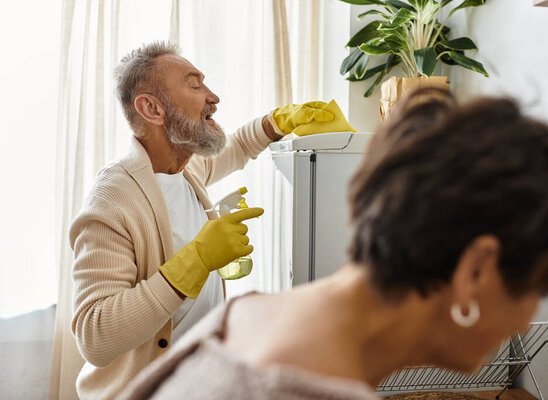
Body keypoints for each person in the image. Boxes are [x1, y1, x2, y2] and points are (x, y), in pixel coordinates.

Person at [117, 89, 548, 400]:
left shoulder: (240, 319)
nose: (528, 317)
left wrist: (273, 124)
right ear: (477, 270)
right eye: (534, 288)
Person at [69, 41, 353, 400]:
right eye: (195, 85)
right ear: (152, 108)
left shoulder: (183, 171)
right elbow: (94, 336)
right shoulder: (112, 201)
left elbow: (234, 149)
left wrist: (277, 121)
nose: (213, 96)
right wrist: (197, 260)